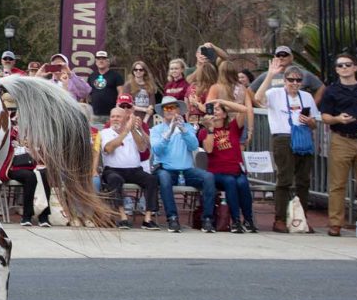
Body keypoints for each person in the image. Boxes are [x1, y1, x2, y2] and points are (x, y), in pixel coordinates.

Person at [318, 53, 357, 237]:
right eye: (340, 65)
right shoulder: (331, 91)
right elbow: (325, 116)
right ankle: (335, 223)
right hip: (341, 138)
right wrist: (338, 118)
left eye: (348, 64)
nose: (344, 68)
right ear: (336, 70)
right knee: (337, 184)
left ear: (356, 67)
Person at [256, 64, 319, 233]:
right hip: (283, 137)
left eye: (298, 80)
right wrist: (269, 75)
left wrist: (311, 122)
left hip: (303, 137)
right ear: (284, 81)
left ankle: (301, 218)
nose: (294, 83)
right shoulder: (274, 93)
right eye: (291, 80)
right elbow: (258, 98)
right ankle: (280, 219)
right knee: (284, 179)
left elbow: (314, 122)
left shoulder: (306, 97)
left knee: (304, 181)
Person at [149, 97, 216, 233]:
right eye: (166, 108)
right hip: (166, 169)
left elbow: (194, 146)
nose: (169, 111)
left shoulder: (188, 127)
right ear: (162, 112)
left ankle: (207, 219)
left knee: (208, 177)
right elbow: (157, 150)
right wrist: (170, 132)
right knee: (164, 178)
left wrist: (183, 130)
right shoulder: (156, 129)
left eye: (173, 107)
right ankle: (172, 218)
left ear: (178, 110)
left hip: (186, 170)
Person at [199, 97, 257, 233]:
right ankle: (236, 220)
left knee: (243, 183)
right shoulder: (204, 131)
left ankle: (248, 220)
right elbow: (208, 149)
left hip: (236, 170)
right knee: (230, 182)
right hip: (218, 172)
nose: (215, 112)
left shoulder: (233, 128)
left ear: (225, 114)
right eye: (212, 110)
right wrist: (210, 129)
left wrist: (221, 101)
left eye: (218, 110)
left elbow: (244, 109)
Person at [99, 108, 158, 229]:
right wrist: (125, 132)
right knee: (115, 180)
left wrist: (134, 130)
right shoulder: (105, 132)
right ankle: (123, 217)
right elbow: (109, 149)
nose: (115, 119)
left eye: (118, 117)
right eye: (113, 116)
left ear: (126, 118)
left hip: (134, 170)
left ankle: (148, 219)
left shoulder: (133, 132)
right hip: (112, 169)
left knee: (152, 180)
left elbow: (142, 148)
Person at [250, 46, 324, 104]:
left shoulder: (304, 74)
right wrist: (260, 106)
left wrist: (313, 104)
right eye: (278, 55)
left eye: (285, 55)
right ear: (275, 58)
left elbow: (321, 87)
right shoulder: (267, 75)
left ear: (291, 58)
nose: (281, 57)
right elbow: (251, 91)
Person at [87, 50, 124, 124]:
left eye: (103, 59)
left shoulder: (116, 76)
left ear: (108, 61)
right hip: (95, 115)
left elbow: (121, 92)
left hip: (111, 115)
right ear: (96, 61)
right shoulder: (92, 76)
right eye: (98, 59)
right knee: (95, 135)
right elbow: (87, 93)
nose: (101, 61)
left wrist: (117, 108)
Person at [122, 58, 161, 126]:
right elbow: (126, 105)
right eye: (136, 69)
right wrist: (144, 110)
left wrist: (144, 122)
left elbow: (151, 106)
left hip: (147, 120)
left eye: (141, 69)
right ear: (133, 71)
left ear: (144, 71)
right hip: (132, 119)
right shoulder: (128, 85)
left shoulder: (150, 85)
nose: (138, 71)